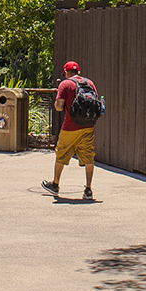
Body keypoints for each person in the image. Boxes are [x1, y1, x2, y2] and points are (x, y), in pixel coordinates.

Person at [44, 60, 97, 201]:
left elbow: (59, 106)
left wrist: (58, 102)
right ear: (78, 72)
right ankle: (88, 189)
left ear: (66, 73)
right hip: (88, 126)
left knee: (61, 153)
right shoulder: (89, 83)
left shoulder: (65, 84)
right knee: (88, 156)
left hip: (70, 127)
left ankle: (55, 185)